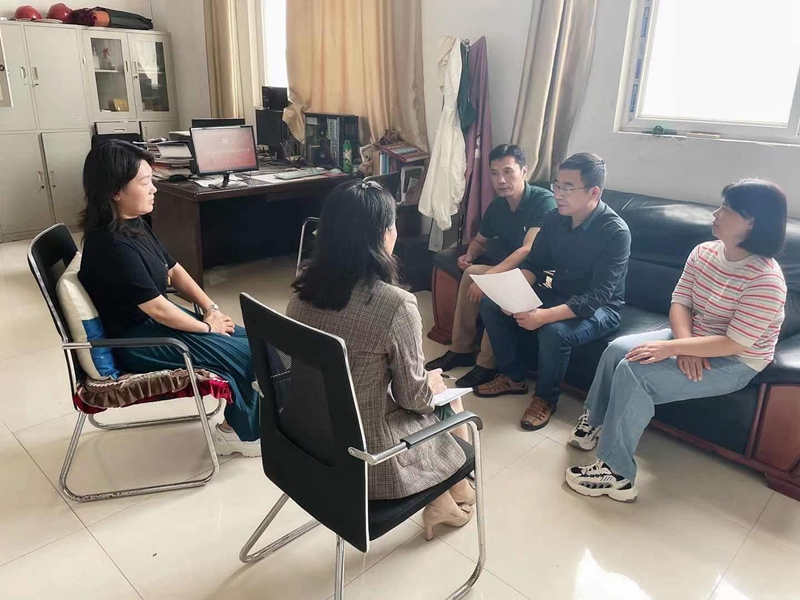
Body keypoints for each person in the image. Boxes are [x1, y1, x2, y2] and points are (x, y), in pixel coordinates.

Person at [566, 179, 788, 502]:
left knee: (635, 372)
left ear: (751, 222)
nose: (715, 214)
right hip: (693, 334)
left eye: (726, 209)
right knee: (617, 350)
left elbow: (735, 343)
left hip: (735, 360)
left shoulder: (766, 280)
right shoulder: (704, 252)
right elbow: (680, 302)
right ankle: (596, 421)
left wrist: (673, 348)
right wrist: (685, 346)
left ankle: (617, 474)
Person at [287, 180, 475, 540]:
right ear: (383, 235)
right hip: (370, 462)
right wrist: (430, 383)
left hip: (307, 444)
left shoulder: (302, 291)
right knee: (450, 399)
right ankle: (456, 492)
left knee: (428, 393)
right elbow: (414, 400)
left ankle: (449, 497)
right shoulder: (395, 305)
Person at [78, 140, 260, 457]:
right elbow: (158, 309)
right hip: (140, 341)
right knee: (248, 355)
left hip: (157, 325)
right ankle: (237, 434)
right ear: (116, 191)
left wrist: (211, 308)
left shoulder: (132, 223)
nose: (154, 189)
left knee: (259, 341)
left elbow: (174, 270)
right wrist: (208, 328)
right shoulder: (110, 245)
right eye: (145, 182)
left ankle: (255, 415)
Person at [475, 153, 631, 432]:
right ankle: (512, 376)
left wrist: (542, 316)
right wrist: (512, 293)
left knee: (553, 331)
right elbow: (534, 264)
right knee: (491, 303)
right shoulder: (554, 218)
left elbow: (597, 296)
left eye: (567, 188)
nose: (558, 194)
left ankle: (545, 398)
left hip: (601, 308)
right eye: (556, 185)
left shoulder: (615, 232)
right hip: (560, 292)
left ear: (594, 192)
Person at [425, 144, 556, 388]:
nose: (501, 180)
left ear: (524, 171)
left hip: (539, 274)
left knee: (494, 288)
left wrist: (491, 278)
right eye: (494, 173)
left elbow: (528, 249)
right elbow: (480, 241)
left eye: (508, 172)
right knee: (471, 272)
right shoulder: (498, 205)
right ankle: (461, 349)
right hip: (510, 270)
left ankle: (486, 364)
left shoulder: (543, 201)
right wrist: (469, 256)